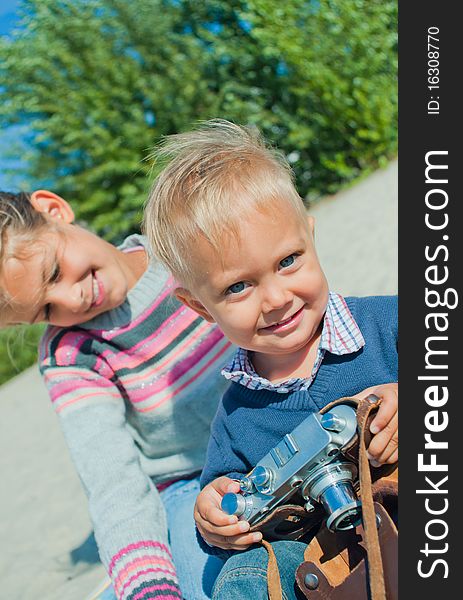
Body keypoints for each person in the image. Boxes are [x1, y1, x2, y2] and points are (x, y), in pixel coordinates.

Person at [143, 119, 398, 599]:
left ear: (311, 235)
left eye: (288, 261)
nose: (276, 298)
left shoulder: (388, 324)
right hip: (330, 569)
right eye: (238, 286)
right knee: (244, 574)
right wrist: (213, 517)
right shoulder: (237, 416)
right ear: (199, 306)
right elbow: (229, 497)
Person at [0, 189, 237, 600]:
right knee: (205, 581)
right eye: (46, 311)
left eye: (54, 271)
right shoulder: (72, 355)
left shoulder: (185, 247)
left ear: (53, 210)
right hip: (188, 483)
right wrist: (148, 588)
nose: (71, 301)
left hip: (277, 418)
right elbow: (113, 481)